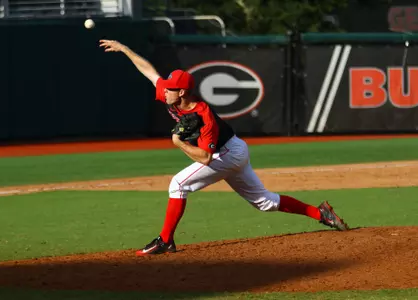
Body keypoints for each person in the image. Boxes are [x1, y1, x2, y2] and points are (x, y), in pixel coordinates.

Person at [99, 39, 349, 256]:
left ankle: (165, 241)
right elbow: (150, 72)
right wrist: (124, 49)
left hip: (225, 153)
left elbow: (206, 158)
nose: (164, 90)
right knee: (265, 202)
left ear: (183, 92)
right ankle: (321, 214)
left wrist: (179, 143)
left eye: (171, 88)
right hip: (234, 148)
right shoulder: (169, 91)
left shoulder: (204, 115)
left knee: (178, 184)